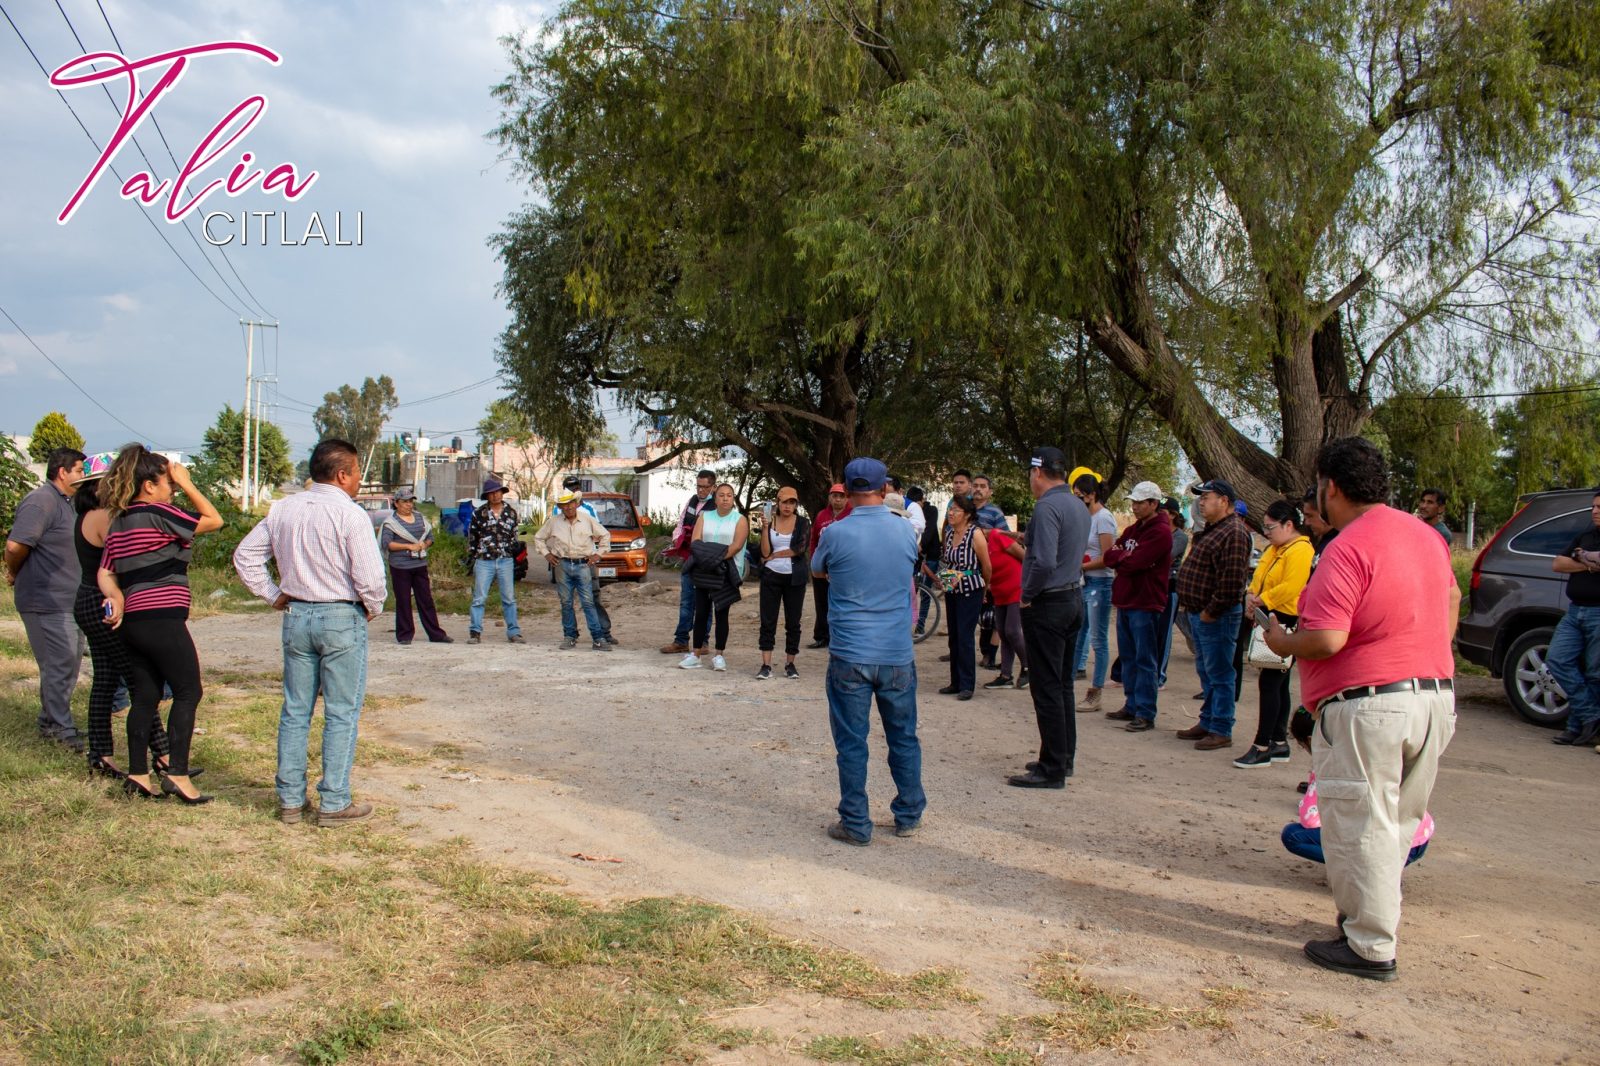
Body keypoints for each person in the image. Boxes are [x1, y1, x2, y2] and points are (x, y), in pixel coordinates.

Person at [1262, 436, 1459, 981]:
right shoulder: (1424, 536)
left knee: (1360, 823)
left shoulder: (1347, 546)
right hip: (1433, 697)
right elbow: (1452, 599)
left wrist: (1281, 643)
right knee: (1398, 820)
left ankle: (1370, 945)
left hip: (1370, 707)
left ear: (1331, 488)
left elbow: (1325, 638)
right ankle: (1370, 925)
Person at [234, 439, 388, 827]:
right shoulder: (351, 515)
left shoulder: (283, 509)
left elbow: (245, 556)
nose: (358, 480)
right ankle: (334, 801)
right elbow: (370, 577)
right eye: (356, 473)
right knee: (341, 711)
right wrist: (372, 606)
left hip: (297, 615)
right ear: (342, 474)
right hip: (340, 615)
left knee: (295, 710)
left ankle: (289, 800)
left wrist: (273, 594)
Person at [99, 445, 223, 804]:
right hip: (163, 616)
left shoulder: (119, 520)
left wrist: (117, 596)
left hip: (134, 620)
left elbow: (105, 570)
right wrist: (187, 483)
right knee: (188, 691)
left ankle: (138, 774)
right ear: (149, 486)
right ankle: (178, 775)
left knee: (145, 696)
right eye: (167, 482)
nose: (172, 487)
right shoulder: (158, 512)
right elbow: (213, 520)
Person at [811, 456, 924, 844]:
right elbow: (908, 569)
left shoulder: (834, 532)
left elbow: (817, 568)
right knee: (903, 737)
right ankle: (908, 814)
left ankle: (856, 823)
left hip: (850, 653)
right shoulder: (905, 531)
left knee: (851, 742)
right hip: (896, 653)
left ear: (847, 488)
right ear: (884, 489)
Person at [71, 451, 176, 778]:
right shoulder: (106, 517)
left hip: (88, 600)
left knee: (105, 678)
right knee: (138, 680)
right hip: (105, 603)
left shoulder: (87, 515)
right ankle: (162, 754)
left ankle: (101, 754)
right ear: (102, 485)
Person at [1008, 447, 1089, 789]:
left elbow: (1042, 562)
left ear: (1037, 473)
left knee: (1046, 687)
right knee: (1063, 684)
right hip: (1072, 597)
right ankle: (1062, 755)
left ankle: (1051, 767)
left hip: (1048, 603)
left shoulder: (1046, 507)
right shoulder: (1076, 504)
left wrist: (1026, 595)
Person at [4, 446, 88, 751]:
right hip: (45, 600)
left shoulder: (69, 502)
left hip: (69, 599)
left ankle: (52, 721)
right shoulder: (41, 501)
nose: (83, 476)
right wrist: (13, 572)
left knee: (68, 663)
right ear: (62, 471)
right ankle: (58, 729)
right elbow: (15, 547)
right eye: (79, 470)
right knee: (58, 663)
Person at [1232, 500, 1314, 768]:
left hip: (1285, 618)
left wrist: (1261, 599)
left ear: (1289, 525)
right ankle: (1279, 741)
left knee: (1270, 683)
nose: (1267, 532)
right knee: (1277, 681)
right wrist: (1252, 596)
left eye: (1271, 526)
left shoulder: (1300, 550)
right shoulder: (1277, 548)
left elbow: (1292, 587)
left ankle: (1262, 744)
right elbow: (1260, 575)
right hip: (1269, 613)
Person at [1174, 479, 1252, 751]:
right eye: (1201, 497)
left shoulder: (1234, 533)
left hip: (1217, 616)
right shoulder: (1213, 529)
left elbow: (1231, 583)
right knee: (1207, 671)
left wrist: (1210, 612)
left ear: (1224, 501)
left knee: (1219, 672)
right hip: (1200, 613)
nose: (1201, 502)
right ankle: (1208, 721)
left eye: (1207, 497)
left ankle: (1221, 727)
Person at [1102, 482, 1172, 732]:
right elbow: (1111, 554)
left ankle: (1145, 710)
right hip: (1126, 600)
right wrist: (1123, 558)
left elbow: (1138, 562)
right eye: (1134, 502)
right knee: (1129, 657)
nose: (1134, 506)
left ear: (1154, 504)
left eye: (1140, 502)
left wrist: (1122, 559)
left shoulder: (1160, 532)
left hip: (1145, 601)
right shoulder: (1133, 529)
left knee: (1145, 659)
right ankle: (1131, 703)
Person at [1547, 488, 1600, 747]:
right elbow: (1558, 563)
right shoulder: (1586, 535)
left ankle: (1577, 727)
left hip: (1598, 613)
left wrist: (1580, 557)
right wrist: (1590, 563)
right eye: (1594, 507)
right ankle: (1592, 716)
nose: (1595, 511)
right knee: (1557, 659)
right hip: (1575, 610)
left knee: (1594, 672)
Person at [534, 489, 613, 651]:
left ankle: (598, 638)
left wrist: (598, 554)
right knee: (566, 602)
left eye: (571, 504)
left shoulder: (587, 519)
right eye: (565, 505)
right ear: (561, 507)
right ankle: (570, 636)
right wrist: (547, 554)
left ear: (576, 504)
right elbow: (538, 537)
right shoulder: (554, 522)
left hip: (583, 564)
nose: (568, 507)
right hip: (562, 564)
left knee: (588, 602)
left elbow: (605, 535)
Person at [680, 483, 748, 671]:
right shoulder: (704, 516)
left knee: (722, 613)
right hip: (703, 570)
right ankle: (695, 654)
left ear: (733, 498)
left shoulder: (740, 519)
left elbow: (735, 546)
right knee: (701, 612)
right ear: (715, 498)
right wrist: (709, 560)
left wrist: (713, 558)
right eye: (721, 495)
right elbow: (695, 542)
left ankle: (719, 655)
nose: (725, 498)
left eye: (729, 495)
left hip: (726, 570)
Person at [380, 487, 452, 645]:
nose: (408, 505)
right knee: (403, 600)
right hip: (400, 566)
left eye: (410, 501)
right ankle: (405, 635)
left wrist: (424, 545)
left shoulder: (420, 518)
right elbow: (387, 543)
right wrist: (408, 547)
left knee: (426, 600)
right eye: (404, 502)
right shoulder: (391, 523)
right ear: (397, 504)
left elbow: (430, 537)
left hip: (419, 564)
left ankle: (436, 634)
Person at [937, 494, 992, 700]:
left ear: (967, 514)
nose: (951, 513)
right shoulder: (949, 533)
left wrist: (985, 588)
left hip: (971, 588)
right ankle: (955, 681)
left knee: (965, 636)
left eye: (956, 510)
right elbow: (948, 562)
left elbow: (986, 566)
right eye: (950, 509)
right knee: (954, 636)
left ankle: (967, 684)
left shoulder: (975, 534)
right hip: (952, 586)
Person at [757, 486, 811, 680]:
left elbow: (800, 548)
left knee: (793, 621)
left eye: (792, 502)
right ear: (777, 503)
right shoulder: (769, 521)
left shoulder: (803, 522)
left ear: (796, 504)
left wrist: (775, 555)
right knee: (768, 620)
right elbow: (764, 552)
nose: (788, 506)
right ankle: (766, 664)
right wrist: (764, 529)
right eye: (784, 502)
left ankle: (790, 663)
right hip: (771, 575)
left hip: (794, 576)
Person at [661, 469, 717, 655]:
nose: (701, 490)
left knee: (705, 604)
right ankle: (681, 640)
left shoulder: (717, 506)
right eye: (698, 486)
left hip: (707, 560)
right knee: (686, 602)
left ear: (713, 487)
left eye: (705, 487)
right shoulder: (692, 501)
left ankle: (703, 642)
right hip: (689, 558)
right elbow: (680, 523)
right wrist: (678, 539)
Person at [1073, 473, 1117, 707]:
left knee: (1098, 641)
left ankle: (1096, 691)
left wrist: (1081, 565)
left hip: (1100, 583)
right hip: (1084, 581)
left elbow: (1108, 558)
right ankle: (1067, 685)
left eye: (1081, 496)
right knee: (1079, 633)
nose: (1078, 500)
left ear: (1091, 495)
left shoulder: (1104, 518)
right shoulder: (1085, 518)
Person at [982, 524, 1028, 689]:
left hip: (1017, 588)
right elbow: (970, 569)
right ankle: (1006, 675)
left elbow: (1024, 556)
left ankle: (1028, 666)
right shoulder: (976, 545)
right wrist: (943, 581)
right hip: (999, 592)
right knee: (1002, 631)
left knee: (1012, 631)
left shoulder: (996, 536)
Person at [807, 483, 852, 649]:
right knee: (821, 603)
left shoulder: (852, 514)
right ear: (829, 497)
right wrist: (815, 563)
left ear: (847, 498)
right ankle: (821, 636)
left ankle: (841, 637)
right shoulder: (822, 515)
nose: (838, 499)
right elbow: (814, 541)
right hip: (821, 569)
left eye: (841, 496)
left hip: (842, 569)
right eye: (834, 496)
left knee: (842, 604)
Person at [1156, 498, 1190, 680]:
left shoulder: (1180, 537)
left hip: (1170, 587)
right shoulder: (1156, 532)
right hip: (1154, 586)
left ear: (1172, 514)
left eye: (1163, 511)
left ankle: (1160, 675)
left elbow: (1164, 557)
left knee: (1165, 631)